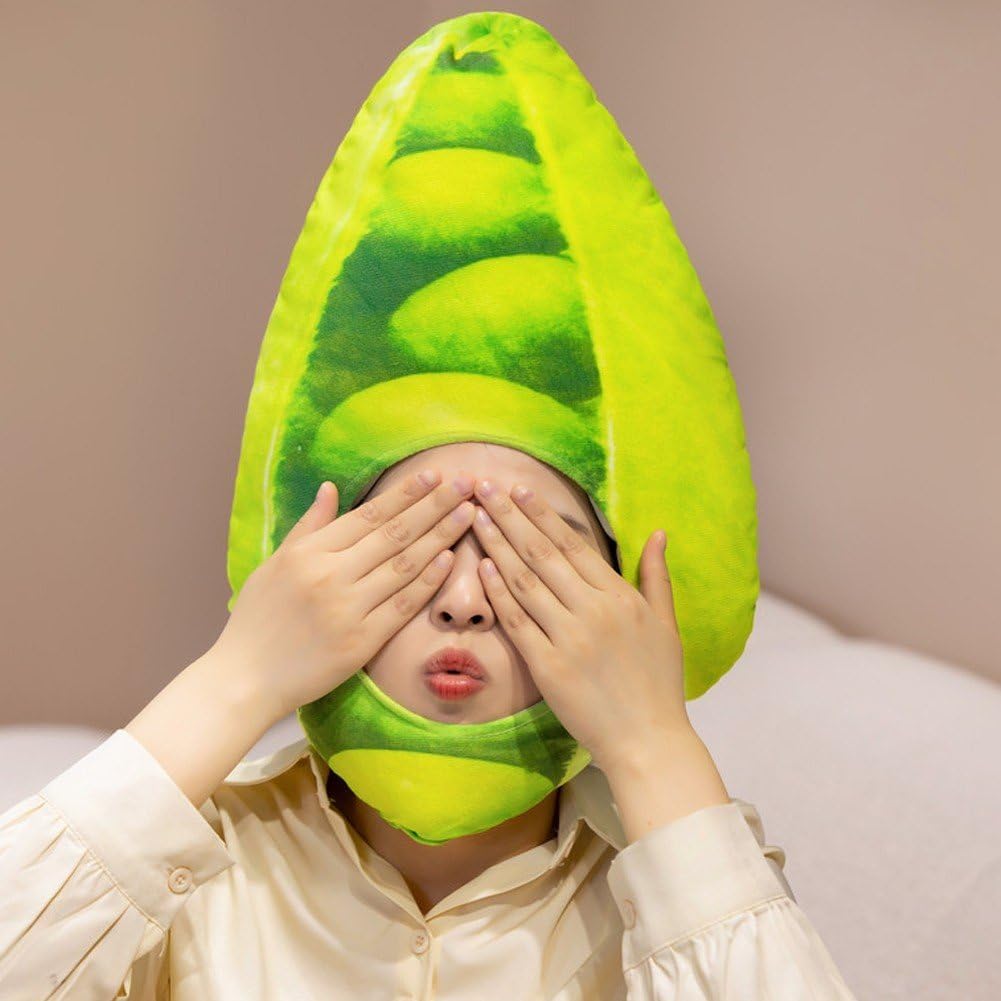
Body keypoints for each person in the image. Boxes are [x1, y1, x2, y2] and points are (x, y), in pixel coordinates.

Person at [0, 439, 858, 999]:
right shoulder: (202, 849)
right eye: (416, 545)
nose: (463, 601)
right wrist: (235, 678)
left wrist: (652, 742)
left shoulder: (678, 870)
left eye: (530, 560)